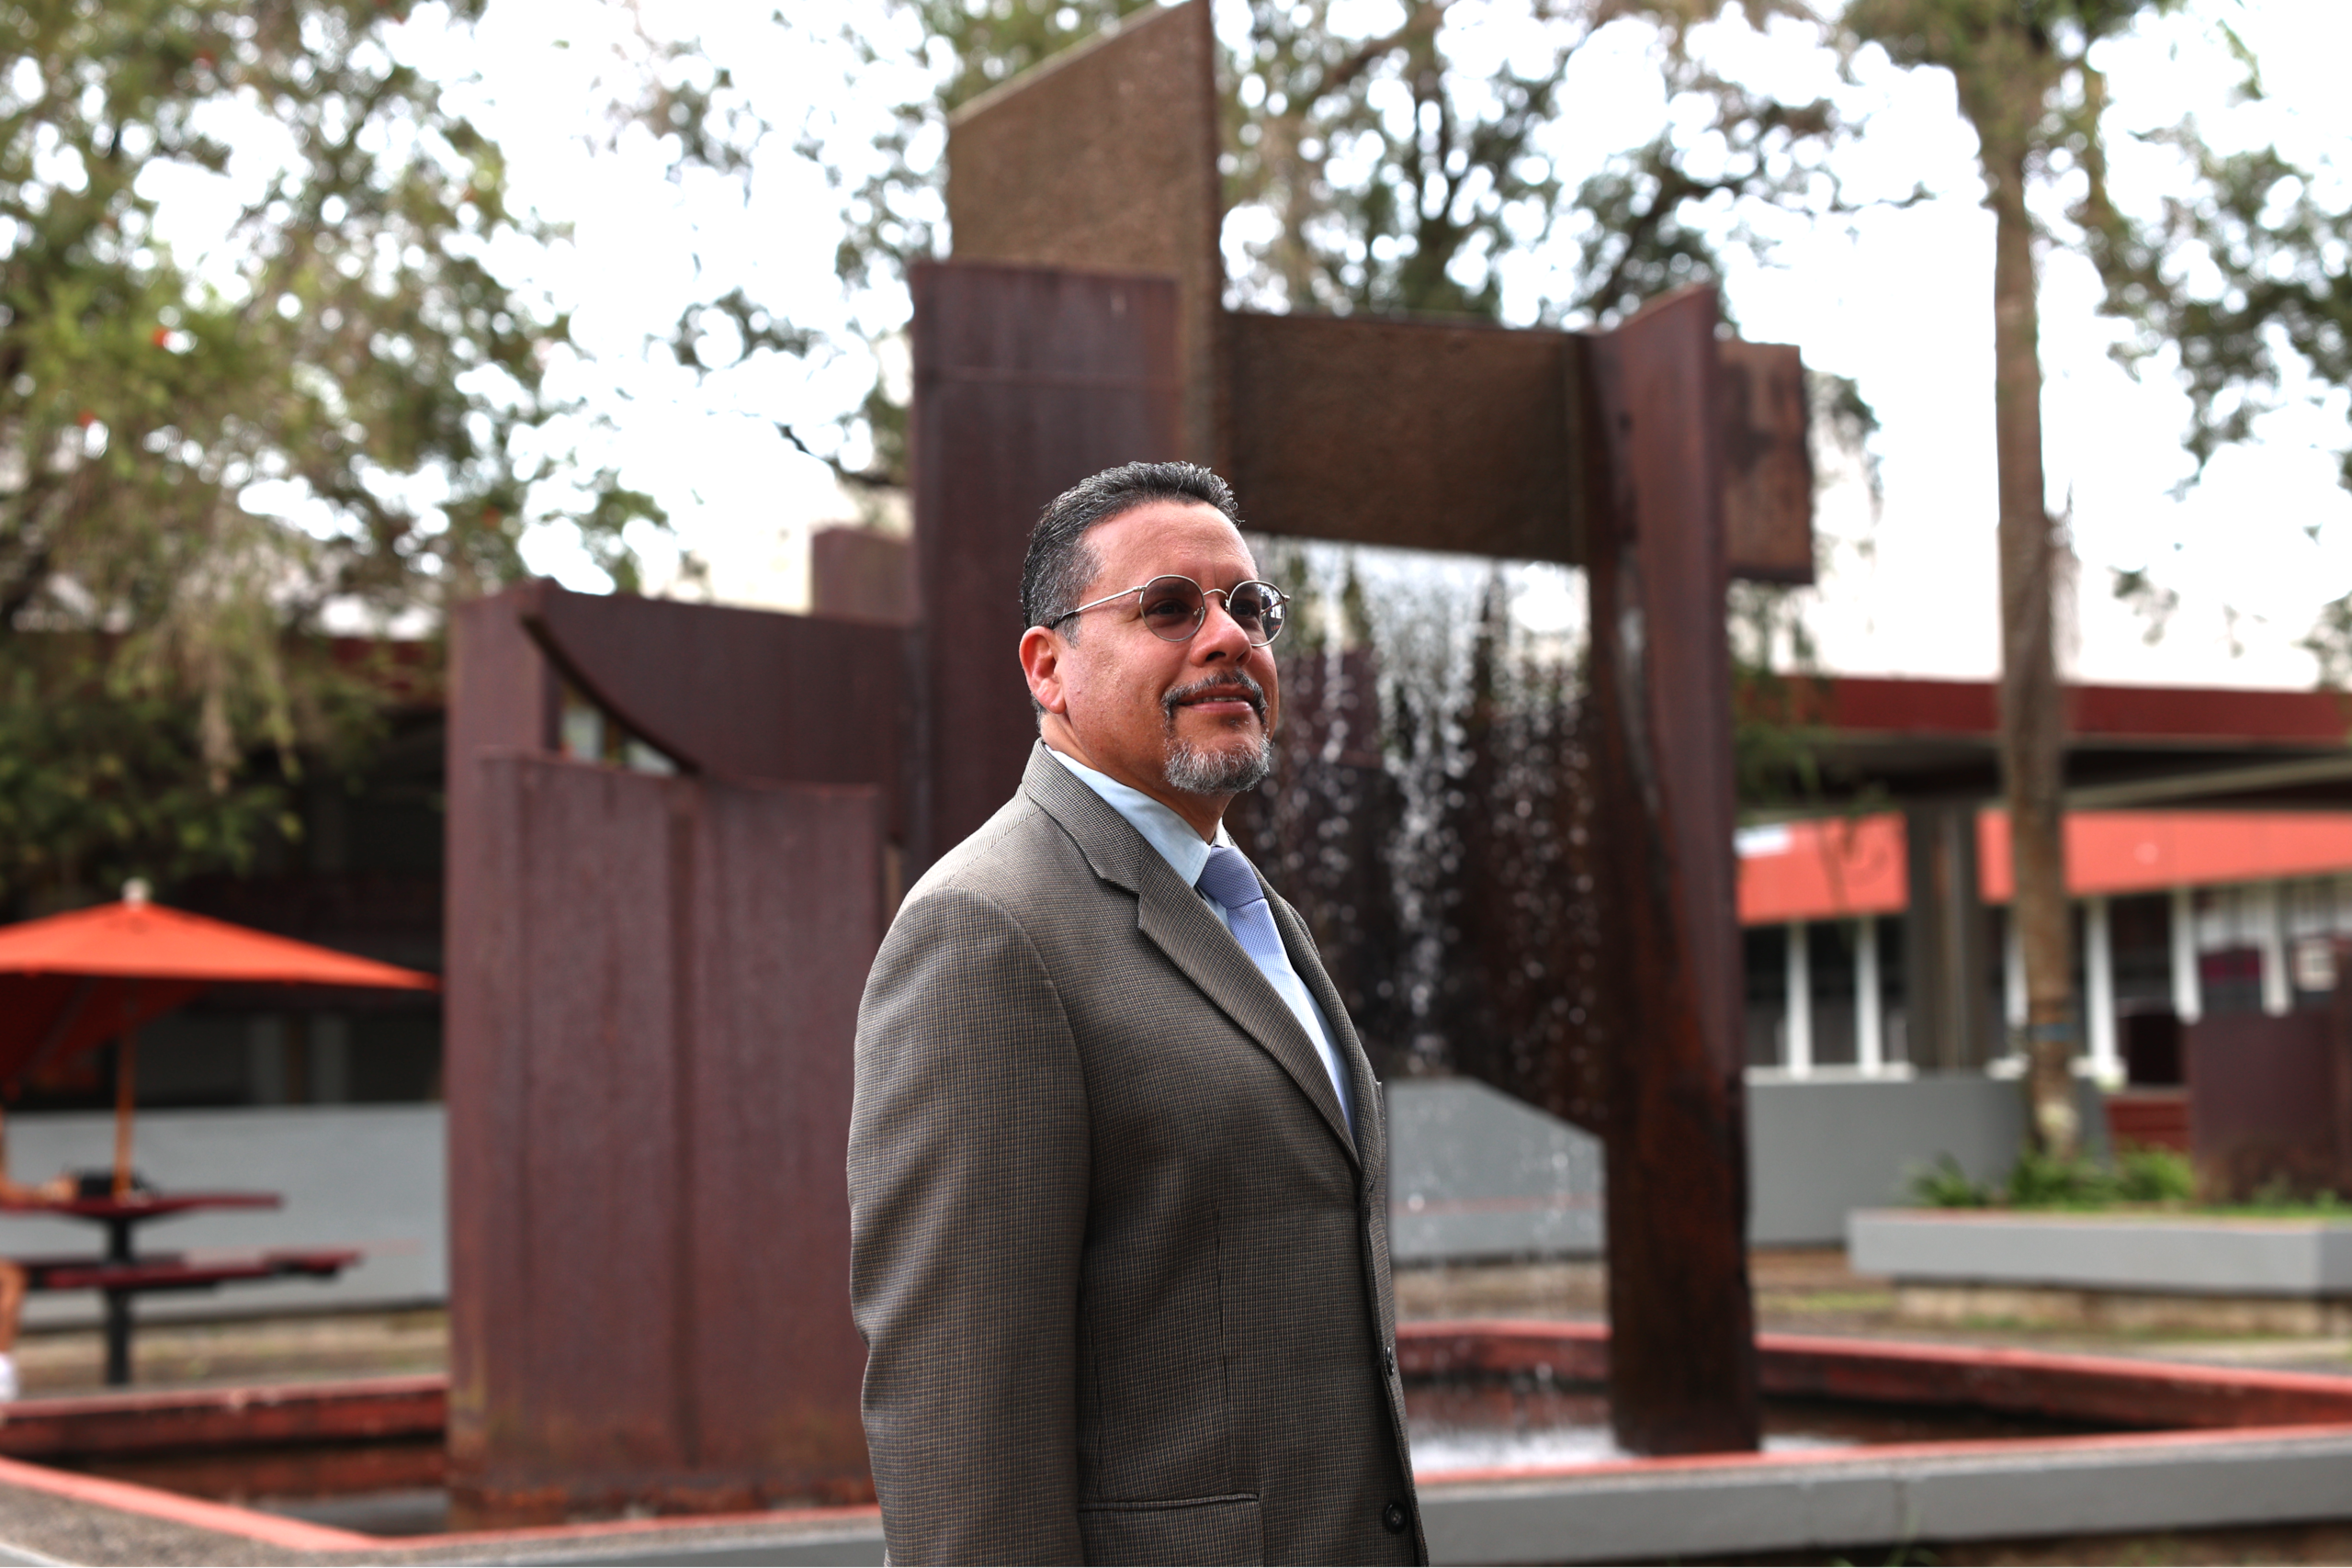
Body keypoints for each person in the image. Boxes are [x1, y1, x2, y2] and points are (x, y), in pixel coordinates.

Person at [850, 461, 1423, 1566]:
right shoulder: (986, 932)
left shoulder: (1258, 917)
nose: (1227, 639)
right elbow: (960, 1419)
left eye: (1248, 607)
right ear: (1047, 666)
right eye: (1168, 607)